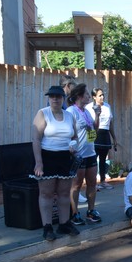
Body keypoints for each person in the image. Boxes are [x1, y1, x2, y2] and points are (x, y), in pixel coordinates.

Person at [31, 86, 79, 242]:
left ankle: (64, 223)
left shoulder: (69, 116)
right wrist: (39, 163)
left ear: (63, 98)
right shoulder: (42, 113)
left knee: (64, 193)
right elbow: (36, 139)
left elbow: (75, 137)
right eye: (52, 96)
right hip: (47, 156)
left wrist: (74, 147)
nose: (55, 99)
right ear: (49, 98)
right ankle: (48, 227)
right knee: (47, 193)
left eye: (58, 96)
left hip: (65, 157)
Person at [67, 83, 101, 225]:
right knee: (76, 185)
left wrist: (97, 115)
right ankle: (75, 213)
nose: (89, 96)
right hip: (78, 154)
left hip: (90, 153)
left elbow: (94, 129)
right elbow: (67, 132)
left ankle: (91, 211)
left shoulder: (87, 111)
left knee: (92, 183)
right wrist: (70, 148)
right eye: (87, 94)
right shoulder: (71, 111)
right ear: (80, 96)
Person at [86, 88, 118, 190]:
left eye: (103, 95)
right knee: (93, 159)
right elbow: (88, 124)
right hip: (94, 133)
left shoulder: (107, 106)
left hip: (105, 134)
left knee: (103, 159)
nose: (102, 97)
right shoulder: (89, 107)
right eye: (99, 95)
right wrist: (89, 139)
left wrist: (114, 138)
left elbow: (111, 123)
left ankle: (103, 181)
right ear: (94, 97)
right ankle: (92, 183)